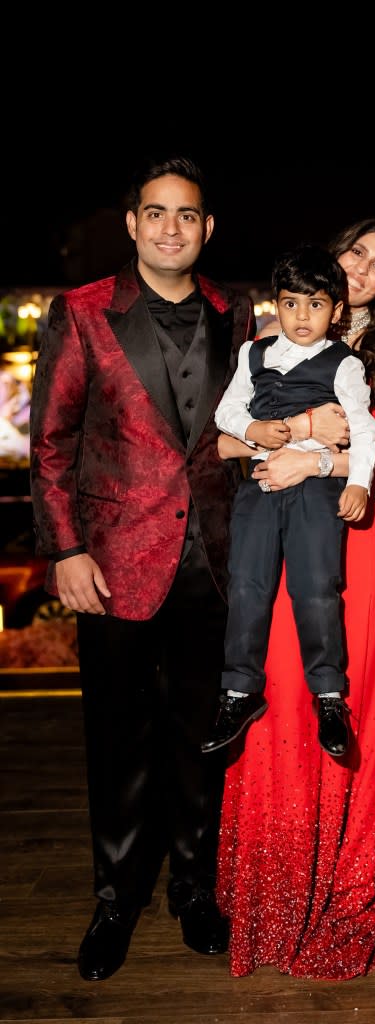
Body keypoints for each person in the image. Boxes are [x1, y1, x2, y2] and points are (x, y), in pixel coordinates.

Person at [28, 156, 256, 981]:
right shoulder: (83, 313)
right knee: (118, 741)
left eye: (187, 215)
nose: (171, 228)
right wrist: (65, 549)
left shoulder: (239, 312)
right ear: (132, 225)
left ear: (207, 227)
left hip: (216, 563)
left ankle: (193, 890)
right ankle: (117, 898)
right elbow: (50, 444)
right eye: (156, 214)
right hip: (115, 562)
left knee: (203, 739)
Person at [215, 218, 375, 979]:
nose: (364, 269)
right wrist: (301, 431)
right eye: (355, 253)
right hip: (282, 529)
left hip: (357, 535)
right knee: (278, 703)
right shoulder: (270, 348)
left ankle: (338, 897)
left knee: (346, 705)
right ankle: (270, 897)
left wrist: (312, 464)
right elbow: (229, 443)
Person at [201, 244, 375, 759]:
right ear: (275, 305)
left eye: (316, 304)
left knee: (316, 588)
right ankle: (238, 691)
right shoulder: (253, 353)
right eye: (291, 303)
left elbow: (364, 432)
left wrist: (359, 484)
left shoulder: (344, 364)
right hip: (259, 484)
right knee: (247, 585)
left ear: (336, 310)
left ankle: (328, 695)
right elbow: (227, 411)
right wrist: (253, 427)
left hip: (317, 490)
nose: (303, 316)